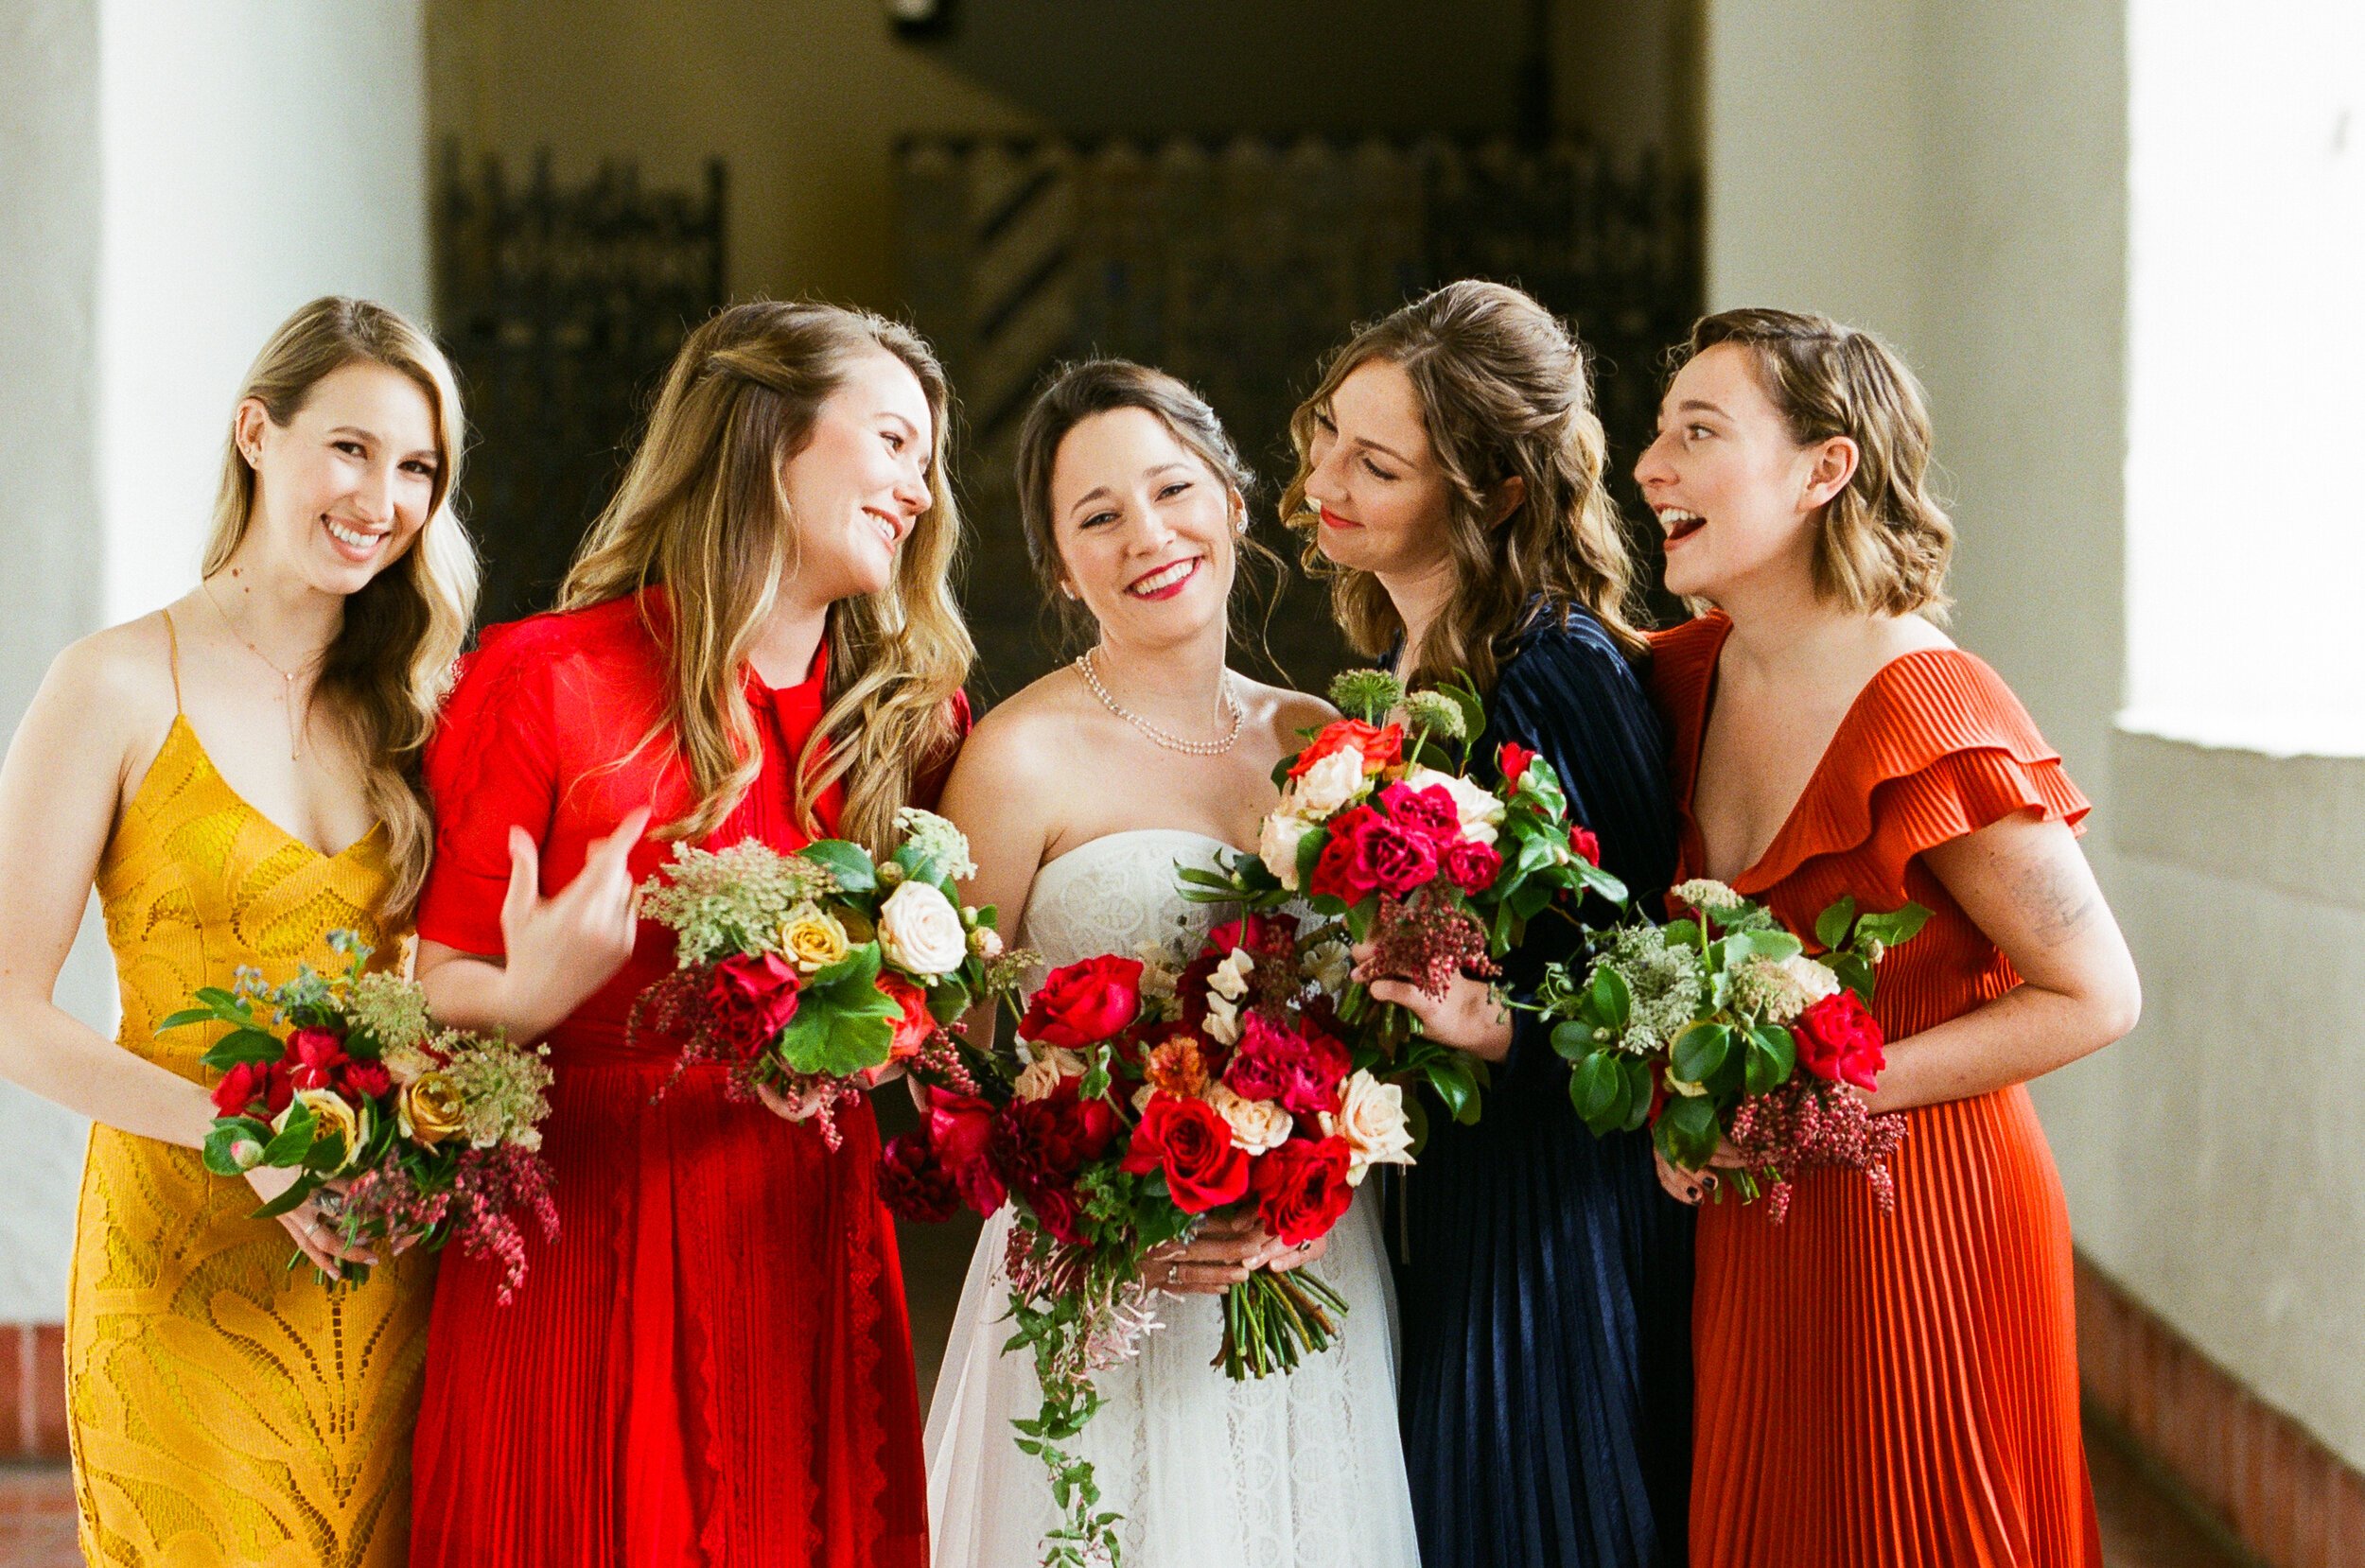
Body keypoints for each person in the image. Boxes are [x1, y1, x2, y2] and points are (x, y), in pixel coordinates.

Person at [404, 301, 971, 1567]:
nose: (921, 490)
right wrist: (527, 987)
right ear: (770, 436)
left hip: (799, 1246)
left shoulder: (905, 725)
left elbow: (960, 989)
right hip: (572, 1246)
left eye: (928, 459)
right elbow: (427, 983)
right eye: (893, 442)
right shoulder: (545, 679)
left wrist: (880, 1042)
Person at [1636, 307, 2140, 1567]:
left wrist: (1822, 1088)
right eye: (1658, 432)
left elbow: (2096, 992)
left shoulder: (1931, 704)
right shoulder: (1679, 678)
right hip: (1762, 1228)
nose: (1651, 467)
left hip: (1930, 1215)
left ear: (1823, 468)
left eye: (1697, 433)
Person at [0, 296, 477, 1565]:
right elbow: (12, 1016)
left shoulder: (423, 706)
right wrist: (246, 1137)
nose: (383, 495)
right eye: (352, 447)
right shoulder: (109, 680)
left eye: (419, 465)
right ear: (256, 433)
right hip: (179, 1262)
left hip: (382, 1269)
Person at [924, 359, 1422, 1568]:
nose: (1147, 535)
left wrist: (1307, 1164)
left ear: (1236, 501)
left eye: (1170, 489)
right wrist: (1095, 1197)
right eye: (1097, 516)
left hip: (1306, 1265)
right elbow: (945, 1053)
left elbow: (1374, 1014)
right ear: (1058, 564)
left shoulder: (1321, 739)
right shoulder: (1017, 758)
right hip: (1102, 1278)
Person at [1293, 280, 1694, 1568]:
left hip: (1557, 1221)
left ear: (1497, 493)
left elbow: (1631, 991)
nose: (1327, 477)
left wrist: (1498, 1027)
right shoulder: (1423, 661)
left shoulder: (1554, 665)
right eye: (1328, 434)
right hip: (1461, 1189)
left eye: (1380, 462)